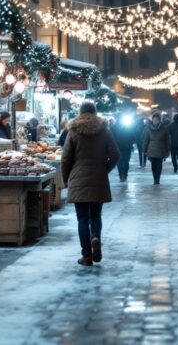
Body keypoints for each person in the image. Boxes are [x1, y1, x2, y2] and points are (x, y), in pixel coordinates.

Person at [61, 101, 120, 267]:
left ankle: (86, 256)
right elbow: (115, 154)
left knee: (81, 218)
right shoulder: (104, 131)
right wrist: (105, 169)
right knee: (95, 215)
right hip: (98, 178)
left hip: (78, 178)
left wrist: (66, 178)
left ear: (80, 112)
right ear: (95, 112)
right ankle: (95, 237)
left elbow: (66, 158)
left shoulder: (73, 131)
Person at [143, 111, 171, 184]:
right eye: (154, 120)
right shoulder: (148, 129)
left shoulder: (164, 129)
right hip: (151, 150)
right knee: (153, 166)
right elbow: (146, 140)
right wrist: (144, 149)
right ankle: (155, 178)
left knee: (159, 165)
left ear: (159, 120)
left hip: (161, 150)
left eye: (157, 120)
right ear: (152, 120)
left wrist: (168, 149)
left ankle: (157, 179)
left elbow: (167, 139)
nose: (155, 121)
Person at [110, 113, 138, 182]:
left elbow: (111, 138)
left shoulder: (113, 127)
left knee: (120, 162)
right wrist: (131, 143)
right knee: (125, 162)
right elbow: (133, 137)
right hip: (126, 147)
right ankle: (124, 175)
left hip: (119, 148)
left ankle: (121, 175)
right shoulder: (127, 127)